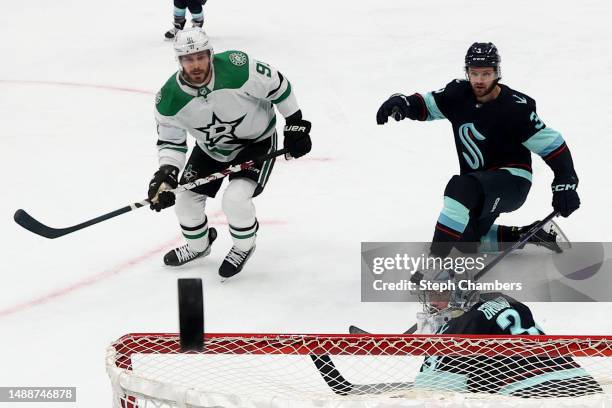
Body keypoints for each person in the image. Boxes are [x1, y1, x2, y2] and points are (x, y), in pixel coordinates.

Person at [376, 43, 580, 258]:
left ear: (497, 73)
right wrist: (401, 103)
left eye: (486, 73)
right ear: (467, 73)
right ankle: (528, 233)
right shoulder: (457, 95)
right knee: (467, 241)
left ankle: (433, 266)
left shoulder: (515, 108)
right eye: (474, 73)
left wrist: (565, 184)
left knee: (459, 189)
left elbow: (553, 146)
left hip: (512, 181)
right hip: (478, 183)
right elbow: (426, 105)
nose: (480, 80)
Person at [148, 27, 312, 279]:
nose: (196, 64)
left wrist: (294, 122)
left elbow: (278, 85)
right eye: (189, 59)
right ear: (179, 61)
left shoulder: (238, 67)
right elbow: (171, 141)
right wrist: (167, 172)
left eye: (201, 56)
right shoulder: (169, 99)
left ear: (210, 54)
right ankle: (198, 246)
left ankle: (244, 246)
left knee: (235, 199)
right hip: (211, 149)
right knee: (185, 201)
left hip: (256, 142)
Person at [413, 272, 602, 398]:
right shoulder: (505, 300)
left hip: (529, 393)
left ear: (459, 294)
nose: (433, 303)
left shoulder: (458, 328)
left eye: (440, 295)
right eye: (430, 295)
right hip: (581, 381)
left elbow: (435, 392)